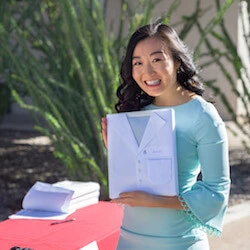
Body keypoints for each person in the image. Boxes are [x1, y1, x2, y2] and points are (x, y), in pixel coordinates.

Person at [101, 22, 231, 250]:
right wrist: (118, 153)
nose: (148, 72)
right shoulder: (136, 112)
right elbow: (137, 181)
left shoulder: (202, 115)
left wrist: (155, 202)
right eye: (138, 63)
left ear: (177, 61)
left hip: (179, 242)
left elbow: (217, 190)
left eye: (157, 60)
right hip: (129, 239)